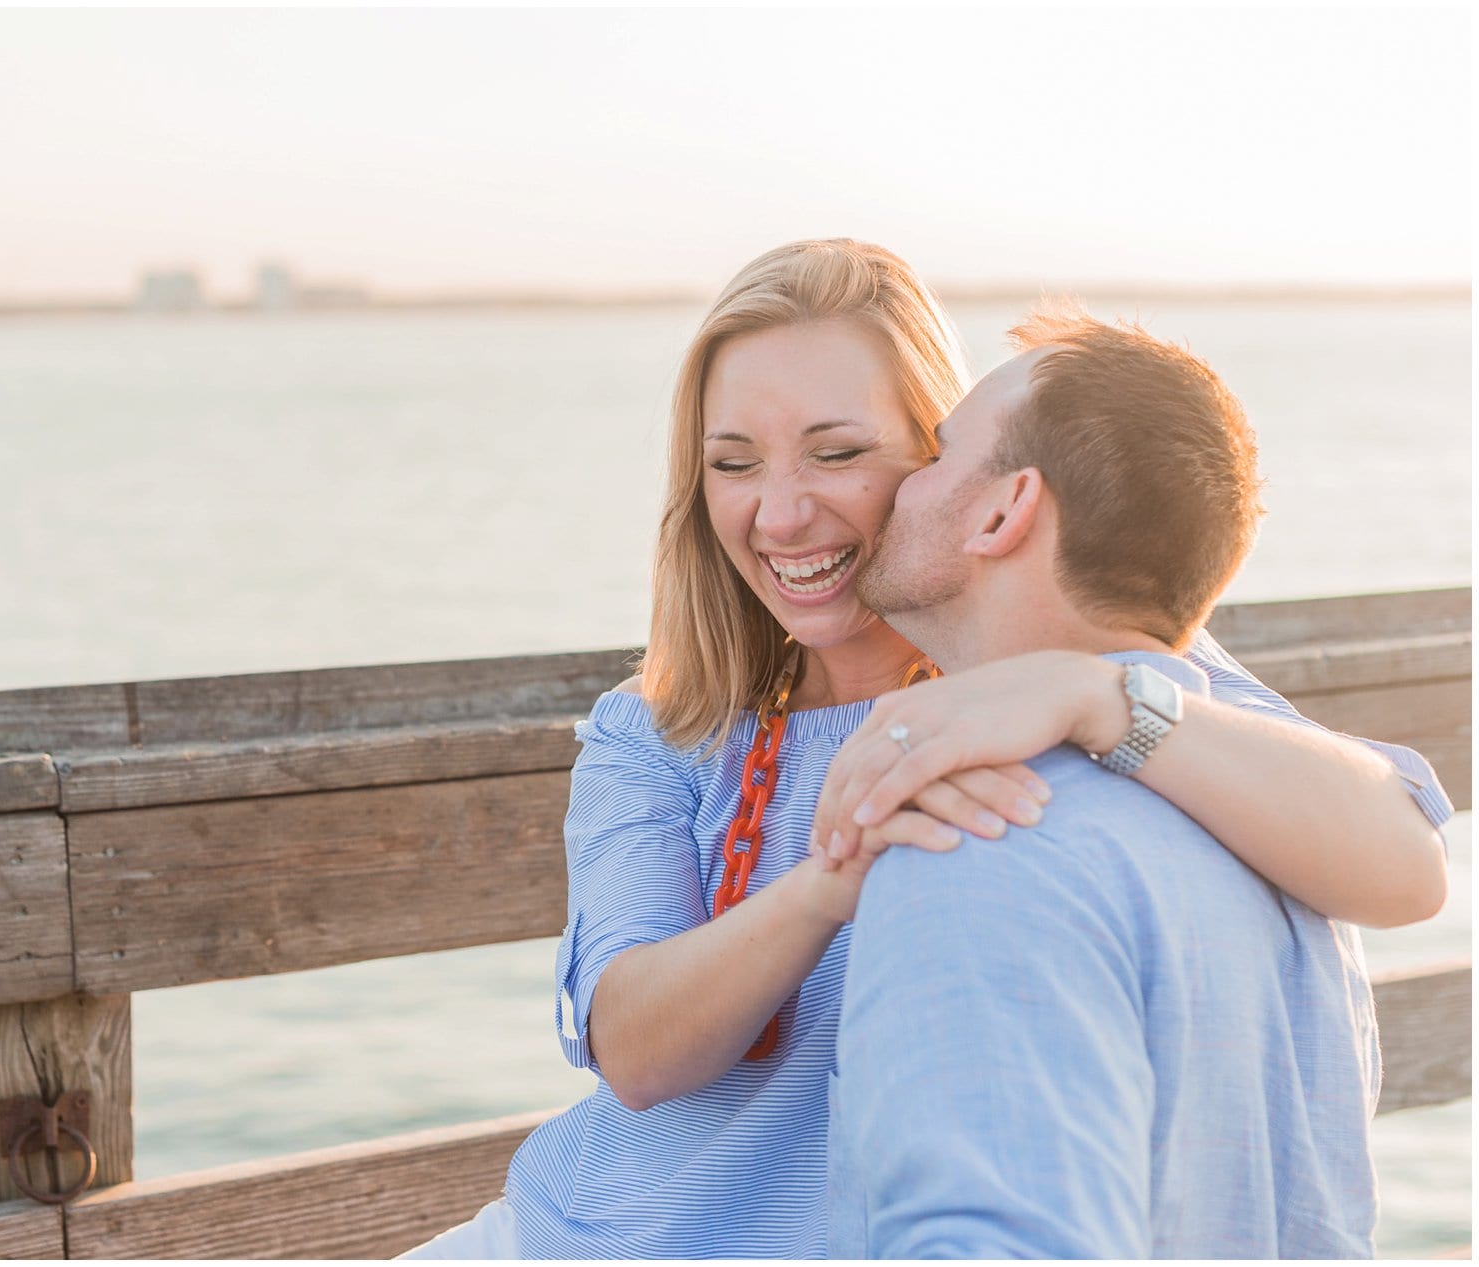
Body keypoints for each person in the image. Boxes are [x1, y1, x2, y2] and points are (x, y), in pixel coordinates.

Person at [402, 241, 1450, 1259]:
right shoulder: (666, 722)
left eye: (838, 451)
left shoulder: (1076, 667)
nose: (779, 512)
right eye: (733, 463)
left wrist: (1086, 693)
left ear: (938, 460)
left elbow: (1403, 861)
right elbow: (630, 1045)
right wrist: (830, 882)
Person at [825, 308, 1399, 1256]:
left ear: (1004, 509)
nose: (899, 488)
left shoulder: (974, 830)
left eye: (935, 454)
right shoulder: (1283, 834)